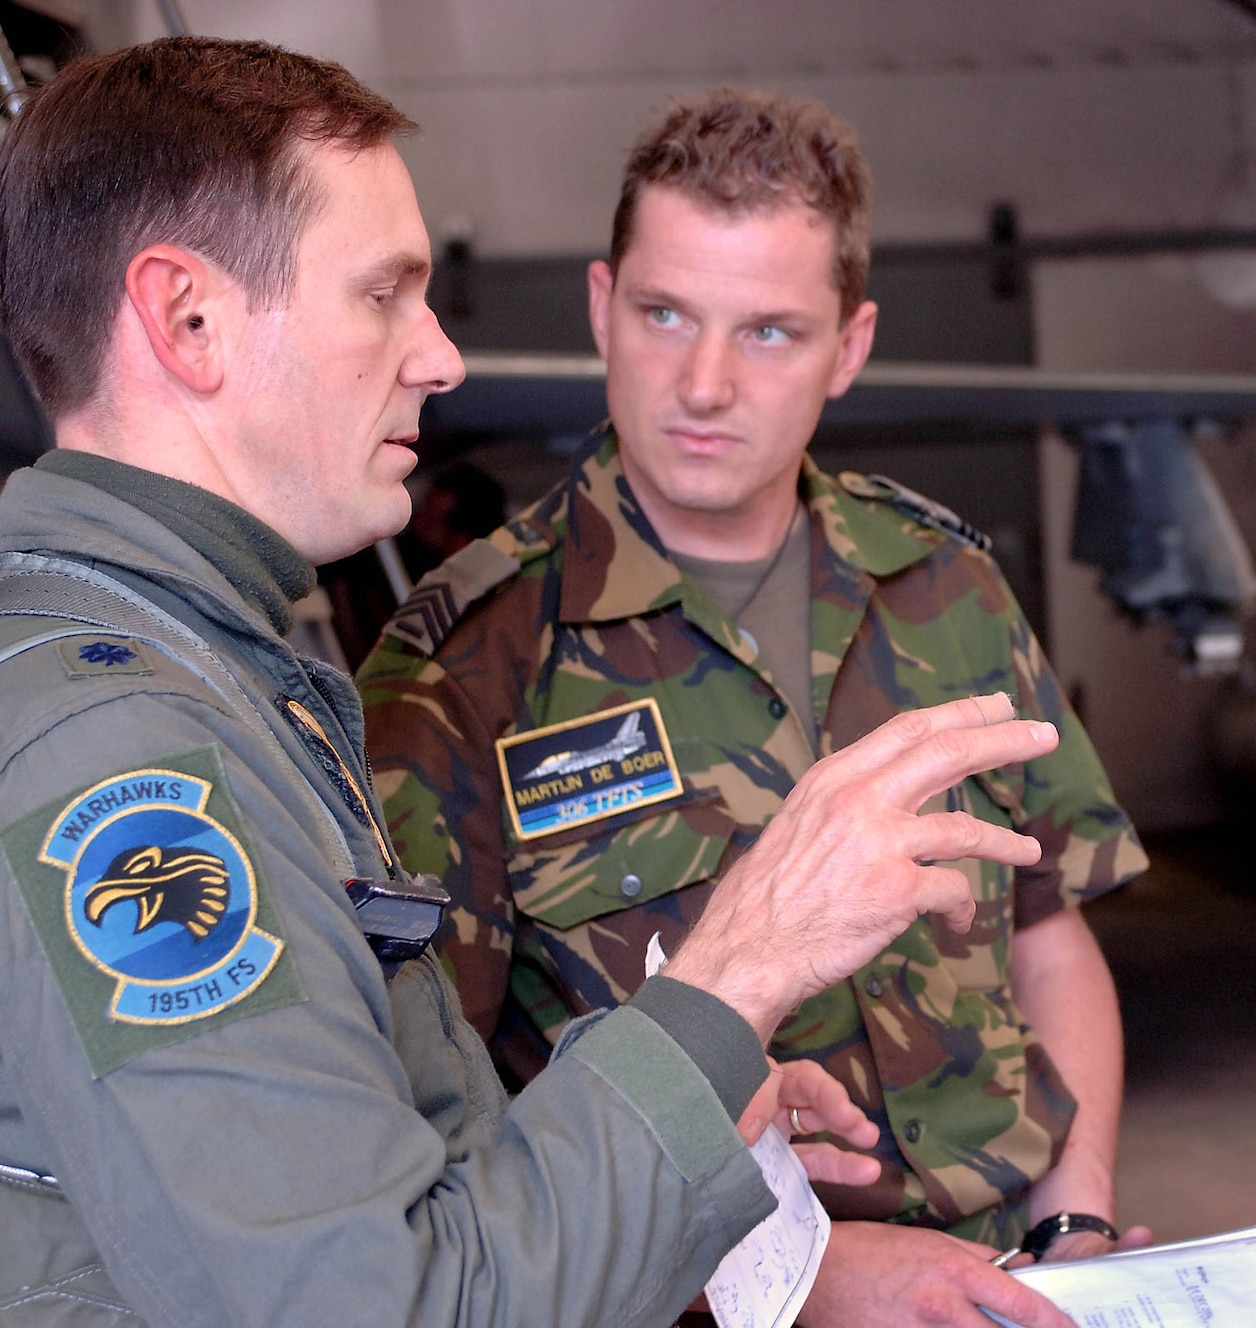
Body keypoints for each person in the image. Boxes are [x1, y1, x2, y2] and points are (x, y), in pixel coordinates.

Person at [0, 36, 1068, 1327]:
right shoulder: (124, 761)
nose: (441, 357)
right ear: (190, 320)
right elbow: (392, 1304)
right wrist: (735, 969)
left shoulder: (220, 673)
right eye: (384, 294)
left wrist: (683, 1083)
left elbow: (412, 1152)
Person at [356, 86, 1151, 1324]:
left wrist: (1077, 1211)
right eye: (664, 312)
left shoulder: (944, 584)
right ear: (599, 307)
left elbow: (1046, 933)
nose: (705, 381)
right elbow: (437, 1125)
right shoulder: (460, 666)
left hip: (1013, 1279)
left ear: (851, 345)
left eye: (770, 332)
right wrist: (808, 1280)